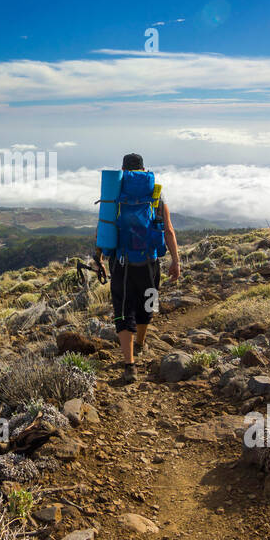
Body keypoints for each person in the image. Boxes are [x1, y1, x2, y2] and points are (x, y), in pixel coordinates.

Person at [93, 153, 180, 383]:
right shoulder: (156, 196)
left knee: (124, 310)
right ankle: (141, 342)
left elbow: (104, 228)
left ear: (124, 171)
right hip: (150, 261)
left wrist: (98, 257)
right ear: (143, 169)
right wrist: (176, 260)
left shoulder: (115, 196)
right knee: (149, 301)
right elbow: (169, 231)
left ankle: (129, 365)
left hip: (121, 263)